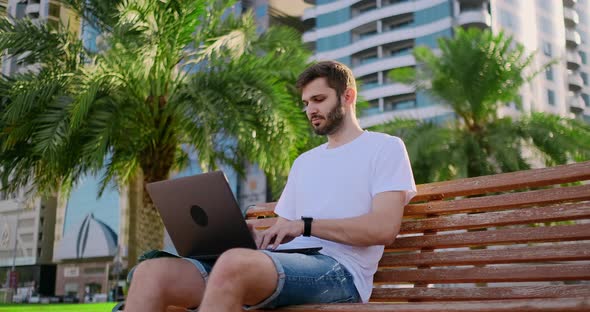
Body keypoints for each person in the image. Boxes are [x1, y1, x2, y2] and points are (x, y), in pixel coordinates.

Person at [120, 61, 416, 312]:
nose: (310, 109)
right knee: (151, 273)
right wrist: (249, 237)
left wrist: (306, 226)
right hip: (286, 262)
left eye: (318, 99)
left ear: (348, 96)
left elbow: (383, 228)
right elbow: (286, 228)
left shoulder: (384, 148)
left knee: (234, 264)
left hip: (340, 271)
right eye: (305, 103)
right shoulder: (305, 162)